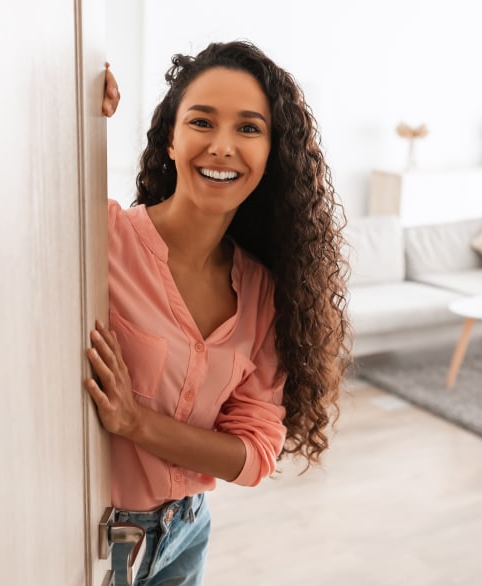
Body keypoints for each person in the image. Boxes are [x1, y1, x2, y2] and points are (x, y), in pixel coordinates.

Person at [86, 40, 351, 585]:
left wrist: (135, 422)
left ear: (272, 154)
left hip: (186, 531)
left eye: (249, 128)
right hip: (93, 537)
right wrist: (71, 105)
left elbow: (253, 455)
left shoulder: (263, 291)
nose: (223, 146)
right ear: (171, 138)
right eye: (202, 121)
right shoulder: (101, 238)